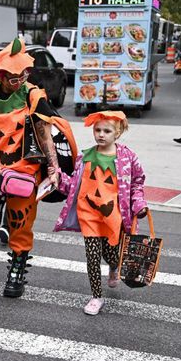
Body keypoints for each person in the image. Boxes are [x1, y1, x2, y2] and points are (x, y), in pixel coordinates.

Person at [0, 38, 60, 303]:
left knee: (20, 224)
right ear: (0, 75)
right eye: (14, 76)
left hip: (23, 172)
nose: (20, 79)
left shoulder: (33, 96)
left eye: (24, 73)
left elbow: (45, 134)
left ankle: (16, 272)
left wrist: (54, 168)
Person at [54, 111, 148, 316]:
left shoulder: (127, 158)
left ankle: (114, 267)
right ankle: (96, 296)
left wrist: (139, 204)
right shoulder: (84, 157)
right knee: (92, 256)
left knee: (112, 255)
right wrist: (58, 177)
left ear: (118, 133)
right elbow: (72, 185)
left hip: (114, 216)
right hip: (88, 214)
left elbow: (137, 184)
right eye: (98, 130)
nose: (101, 134)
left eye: (107, 131)